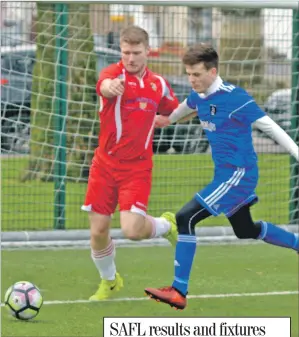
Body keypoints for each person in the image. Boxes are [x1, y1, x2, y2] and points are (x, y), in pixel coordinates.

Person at [144, 44, 299, 310]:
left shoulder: (235, 98)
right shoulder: (198, 96)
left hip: (238, 175)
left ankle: (179, 290)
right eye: (188, 74)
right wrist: (159, 119)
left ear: (213, 71)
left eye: (196, 74)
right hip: (227, 174)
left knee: (185, 217)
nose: (191, 79)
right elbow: (177, 114)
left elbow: (271, 128)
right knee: (245, 230)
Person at [81, 26, 179, 301]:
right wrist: (110, 88)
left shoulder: (158, 84)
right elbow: (104, 86)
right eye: (126, 53)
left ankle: (165, 225)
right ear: (120, 51)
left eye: (136, 53)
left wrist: (168, 119)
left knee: (132, 230)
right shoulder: (113, 75)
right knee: (98, 231)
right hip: (105, 164)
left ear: (147, 51)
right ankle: (110, 281)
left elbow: (177, 109)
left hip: (137, 168)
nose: (131, 58)